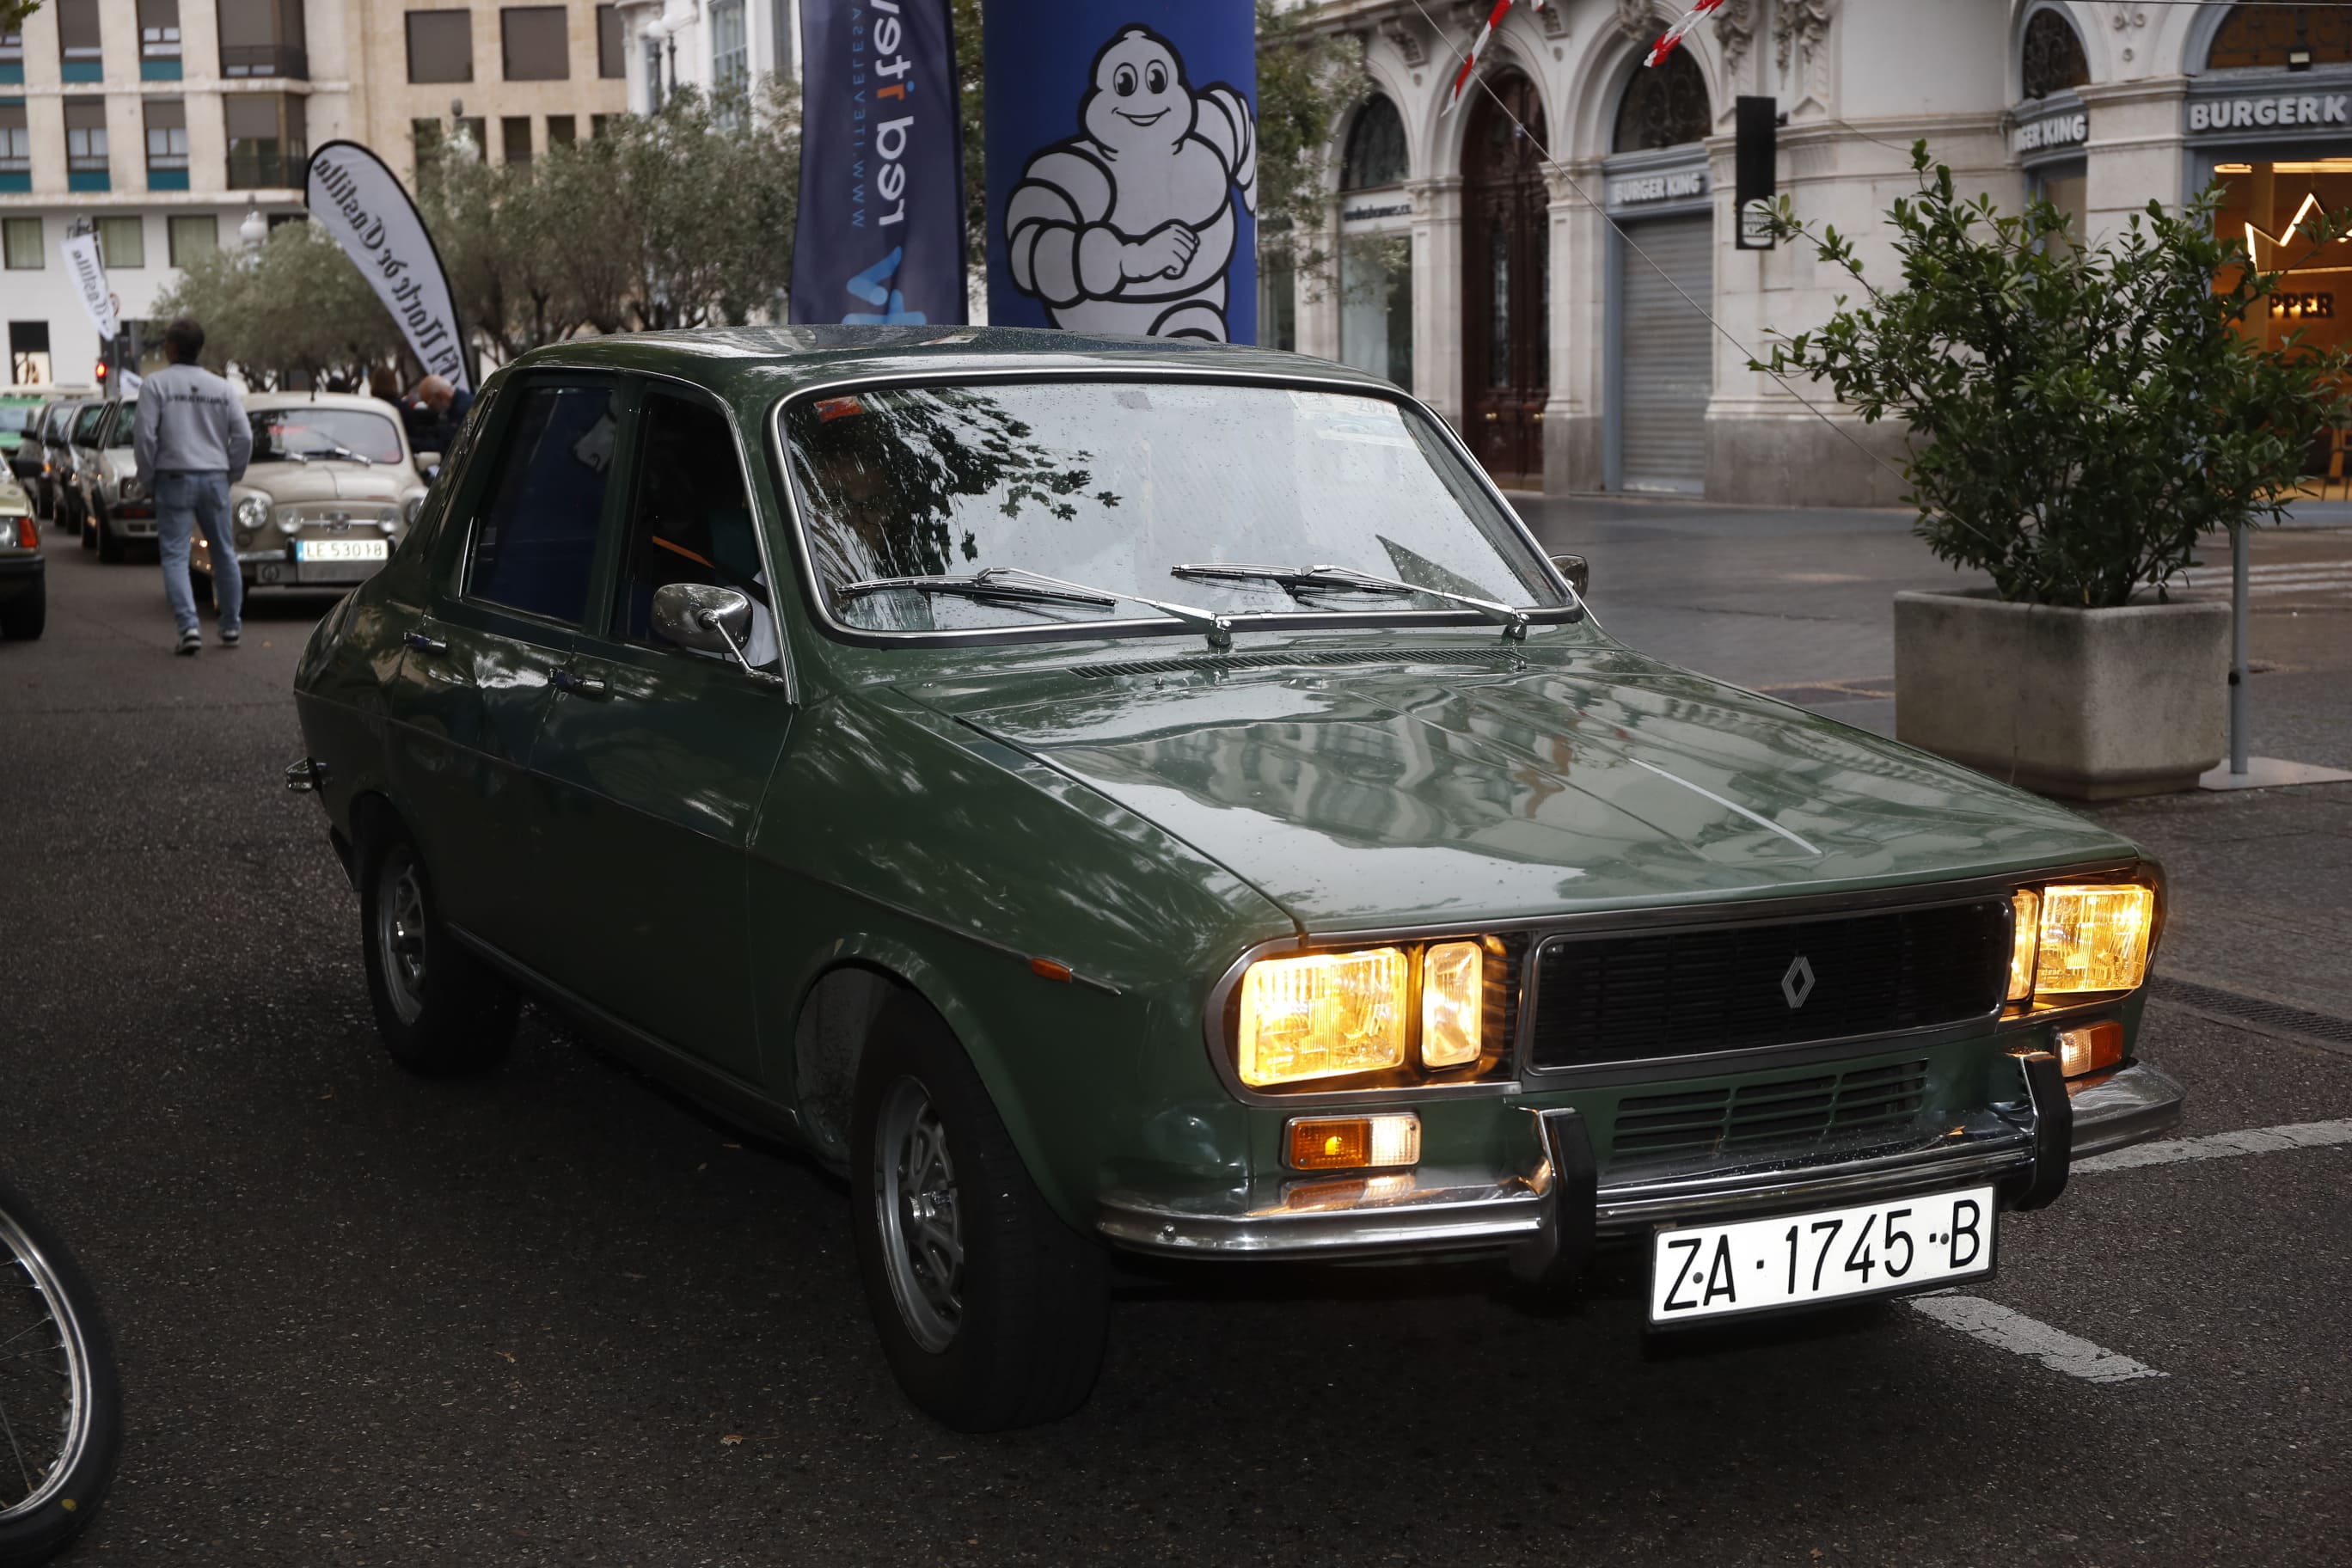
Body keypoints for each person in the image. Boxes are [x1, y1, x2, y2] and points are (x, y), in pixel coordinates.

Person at [133, 317, 250, 656]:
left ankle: (189, 628)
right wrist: (231, 473)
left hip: (174, 477)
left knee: (175, 554)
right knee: (224, 552)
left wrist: (148, 477)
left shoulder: (156, 385)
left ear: (171, 347)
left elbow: (145, 436)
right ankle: (230, 626)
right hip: (214, 477)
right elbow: (243, 436)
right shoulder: (222, 388)